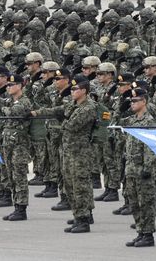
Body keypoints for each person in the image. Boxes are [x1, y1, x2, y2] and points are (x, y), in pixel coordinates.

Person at [62, 76, 98, 232]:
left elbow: (71, 125)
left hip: (80, 153)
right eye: (71, 89)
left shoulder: (88, 107)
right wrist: (37, 113)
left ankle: (83, 220)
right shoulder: (75, 105)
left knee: (80, 186)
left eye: (75, 89)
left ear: (84, 91)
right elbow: (62, 111)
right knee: (70, 184)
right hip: (70, 151)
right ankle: (79, 215)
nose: (72, 91)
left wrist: (61, 121)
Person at [124, 88, 156, 248]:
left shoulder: (149, 121)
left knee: (146, 203)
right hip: (130, 168)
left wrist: (147, 167)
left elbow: (150, 146)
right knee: (134, 203)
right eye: (131, 101)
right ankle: (140, 231)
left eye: (135, 100)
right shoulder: (131, 121)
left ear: (144, 101)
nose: (132, 103)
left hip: (142, 169)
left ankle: (148, 234)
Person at [0, 73, 33, 221]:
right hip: (9, 143)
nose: (8, 87)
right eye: (7, 85)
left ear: (20, 86)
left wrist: (5, 109)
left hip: (19, 144)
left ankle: (21, 207)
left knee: (19, 176)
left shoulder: (24, 101)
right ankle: (16, 206)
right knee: (11, 176)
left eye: (11, 85)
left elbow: (13, 112)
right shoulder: (11, 101)